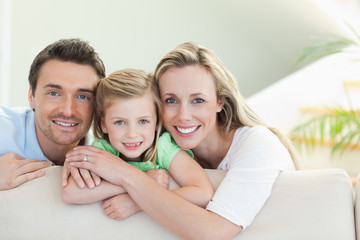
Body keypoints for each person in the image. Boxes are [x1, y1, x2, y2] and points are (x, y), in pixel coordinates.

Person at [67, 42, 297, 239]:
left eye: (197, 100)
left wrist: (132, 188)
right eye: (171, 100)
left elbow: (212, 231)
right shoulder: (164, 145)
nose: (183, 116)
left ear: (220, 101)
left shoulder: (259, 144)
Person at [62, 69, 214, 220]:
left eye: (143, 121)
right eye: (120, 122)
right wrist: (139, 181)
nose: (132, 134)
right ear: (104, 125)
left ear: (156, 122)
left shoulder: (163, 148)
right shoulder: (102, 152)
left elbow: (203, 193)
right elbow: (70, 192)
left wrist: (138, 202)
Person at [0, 38, 106, 190]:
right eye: (54, 93)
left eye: (83, 96)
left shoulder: (109, 149)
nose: (68, 111)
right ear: (31, 96)